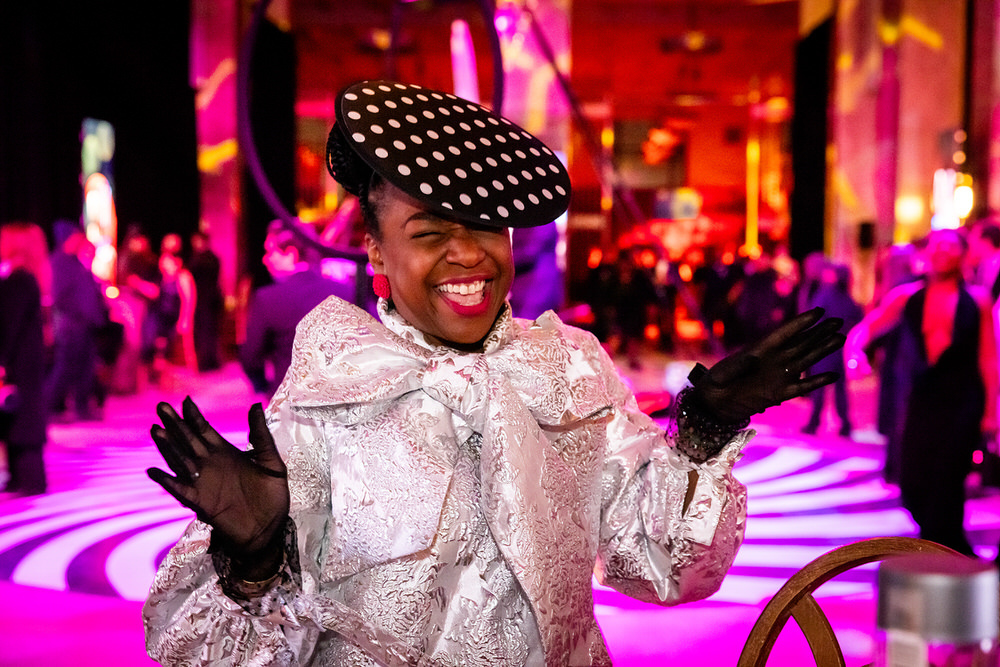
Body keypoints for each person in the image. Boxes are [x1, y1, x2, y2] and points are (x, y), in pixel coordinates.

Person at [143, 80, 844, 666]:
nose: (466, 254)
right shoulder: (323, 404)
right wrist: (256, 561)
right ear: (376, 252)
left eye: (484, 226)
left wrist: (706, 430)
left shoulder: (569, 369)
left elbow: (664, 564)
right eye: (427, 233)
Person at [845, 228, 998, 556]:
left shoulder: (978, 300)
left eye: (950, 246)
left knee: (948, 480)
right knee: (913, 481)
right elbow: (869, 326)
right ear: (928, 254)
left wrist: (990, 415)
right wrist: (855, 351)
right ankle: (951, 548)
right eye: (937, 246)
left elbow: (988, 359)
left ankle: (941, 554)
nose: (942, 251)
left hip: (963, 402)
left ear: (963, 254)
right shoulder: (907, 296)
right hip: (922, 399)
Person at [239, 220, 353, 398]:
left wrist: (264, 387)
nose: (265, 259)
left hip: (290, 404)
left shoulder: (268, 298)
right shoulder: (346, 291)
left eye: (270, 251)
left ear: (291, 254)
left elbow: (250, 356)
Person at [0, 221, 51, 496]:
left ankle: (29, 479)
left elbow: (10, 324)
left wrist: (3, 360)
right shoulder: (27, 276)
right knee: (19, 417)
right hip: (26, 360)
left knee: (22, 418)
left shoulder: (19, 279)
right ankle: (22, 476)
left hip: (19, 362)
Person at [46, 231, 108, 422]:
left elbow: (87, 292)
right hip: (71, 325)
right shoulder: (59, 263)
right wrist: (80, 313)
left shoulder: (75, 263)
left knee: (86, 368)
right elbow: (60, 296)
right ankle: (47, 408)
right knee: (65, 367)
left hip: (85, 323)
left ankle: (82, 408)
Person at [802, 261, 864, 437]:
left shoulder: (825, 294)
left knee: (819, 387)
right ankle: (845, 425)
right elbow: (857, 320)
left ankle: (814, 423)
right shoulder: (849, 298)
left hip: (824, 347)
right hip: (840, 348)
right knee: (840, 389)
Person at [188, 230, 224, 372]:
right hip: (210, 298)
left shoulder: (203, 259)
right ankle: (211, 362)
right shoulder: (211, 258)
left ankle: (206, 363)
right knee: (209, 331)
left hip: (205, 299)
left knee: (205, 331)